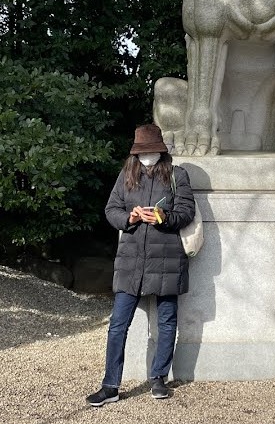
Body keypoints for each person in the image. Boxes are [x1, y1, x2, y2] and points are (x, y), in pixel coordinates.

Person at [86, 124, 195, 407]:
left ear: (161, 151)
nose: (147, 156)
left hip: (168, 258)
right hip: (131, 259)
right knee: (118, 324)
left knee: (167, 320)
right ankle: (110, 385)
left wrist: (163, 217)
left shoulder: (177, 175)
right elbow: (111, 210)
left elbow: (186, 212)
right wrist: (131, 218)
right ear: (136, 153)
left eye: (152, 151)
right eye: (142, 152)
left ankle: (158, 377)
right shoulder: (127, 175)